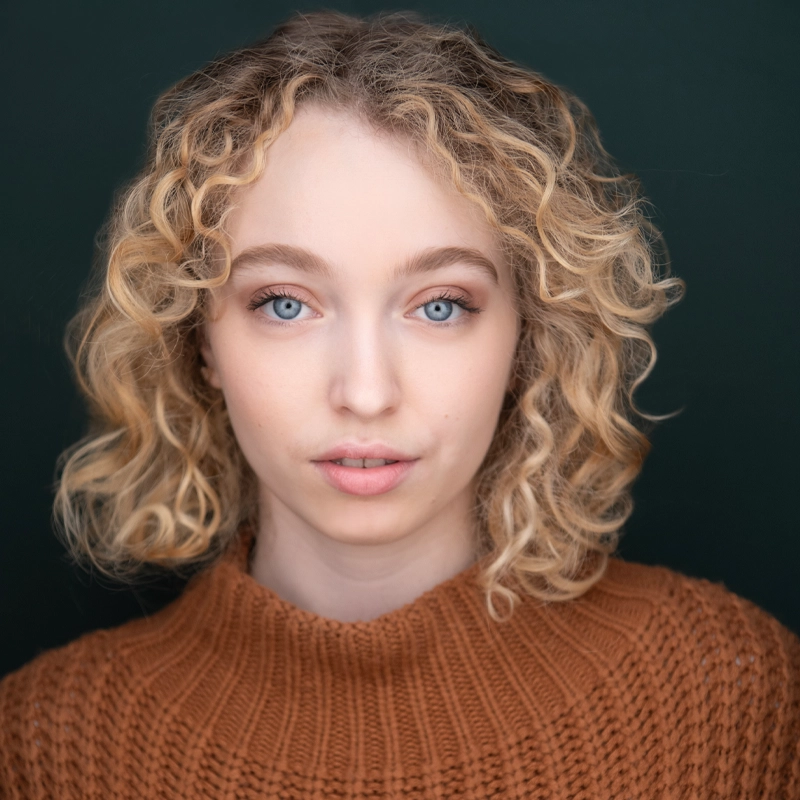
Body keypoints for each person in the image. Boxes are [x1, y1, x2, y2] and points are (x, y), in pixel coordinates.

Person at [1, 9, 797, 799]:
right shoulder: (48, 743)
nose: (367, 393)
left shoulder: (733, 695)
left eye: (441, 305)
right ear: (199, 340)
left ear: (528, 336)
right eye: (284, 303)